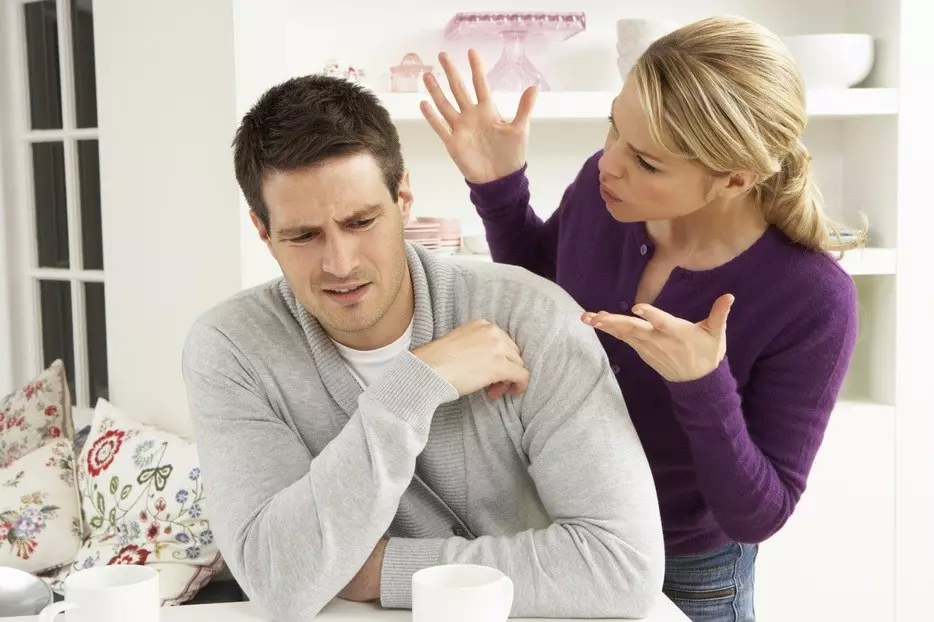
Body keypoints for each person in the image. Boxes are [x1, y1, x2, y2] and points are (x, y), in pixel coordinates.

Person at [420, 15, 859, 622]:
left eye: (647, 162)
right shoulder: (602, 199)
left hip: (689, 575)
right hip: (553, 533)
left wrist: (703, 386)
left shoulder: (812, 298)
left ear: (735, 177)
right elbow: (544, 297)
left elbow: (757, 515)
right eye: (613, 128)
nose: (610, 163)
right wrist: (499, 189)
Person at [180, 74, 665, 622]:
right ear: (264, 233)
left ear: (404, 197)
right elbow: (278, 581)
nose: (340, 264)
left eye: (361, 222)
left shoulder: (533, 316)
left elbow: (624, 568)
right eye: (303, 236)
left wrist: (382, 568)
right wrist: (410, 390)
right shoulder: (230, 348)